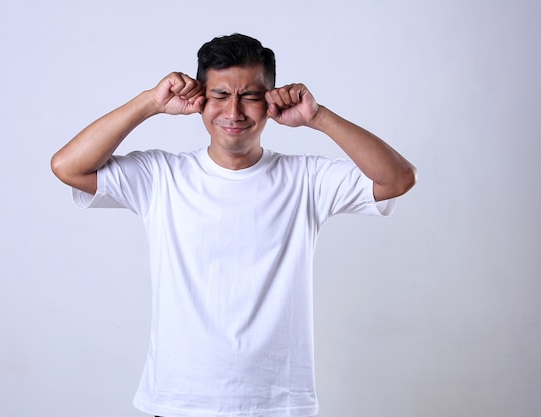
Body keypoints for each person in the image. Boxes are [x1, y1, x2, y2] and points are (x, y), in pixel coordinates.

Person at [51, 33, 416, 417]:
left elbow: (398, 178)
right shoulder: (162, 176)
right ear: (201, 100)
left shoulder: (305, 179)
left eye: (250, 97)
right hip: (179, 402)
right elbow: (67, 166)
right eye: (221, 95)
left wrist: (319, 117)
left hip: (277, 405)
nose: (234, 112)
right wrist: (150, 103)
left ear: (271, 100)